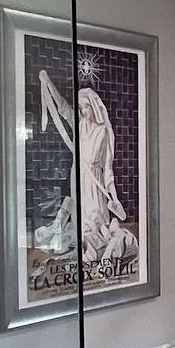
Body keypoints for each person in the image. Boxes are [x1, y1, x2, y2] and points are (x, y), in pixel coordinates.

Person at [35, 69, 138, 271]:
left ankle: (101, 250)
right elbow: (64, 108)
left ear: (94, 107)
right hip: (79, 176)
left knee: (95, 225)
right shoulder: (80, 124)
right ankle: (76, 241)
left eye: (86, 107)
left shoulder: (104, 131)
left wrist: (114, 197)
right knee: (81, 224)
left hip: (95, 180)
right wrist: (47, 81)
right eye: (81, 107)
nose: (83, 111)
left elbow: (108, 169)